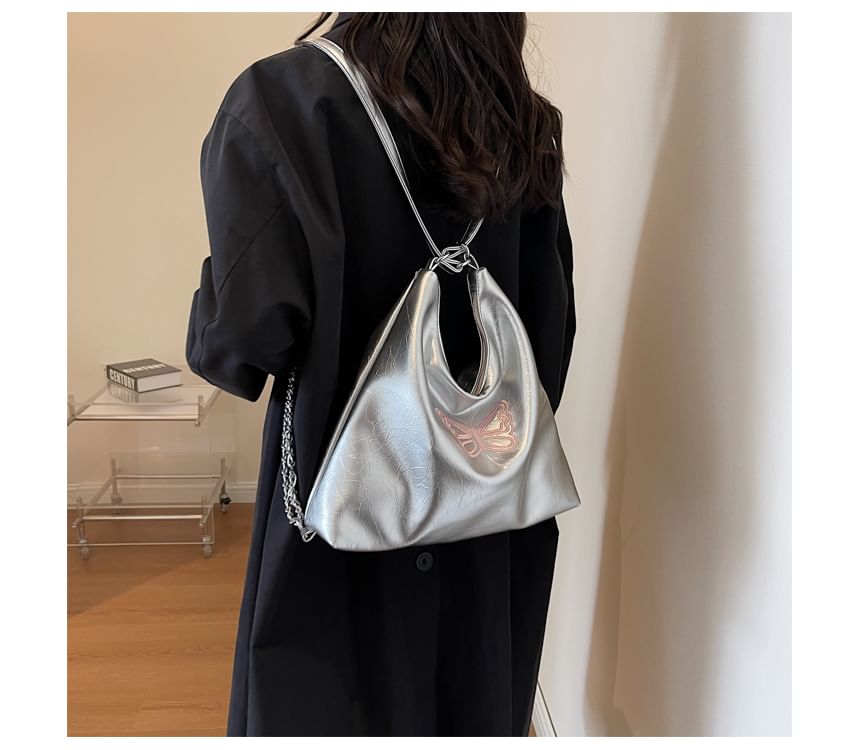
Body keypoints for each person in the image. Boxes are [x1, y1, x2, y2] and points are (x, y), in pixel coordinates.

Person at [185, 12, 577, 737]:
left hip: (335, 537)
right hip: (487, 534)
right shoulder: (523, 125)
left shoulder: (282, 105)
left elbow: (240, 347)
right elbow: (550, 343)